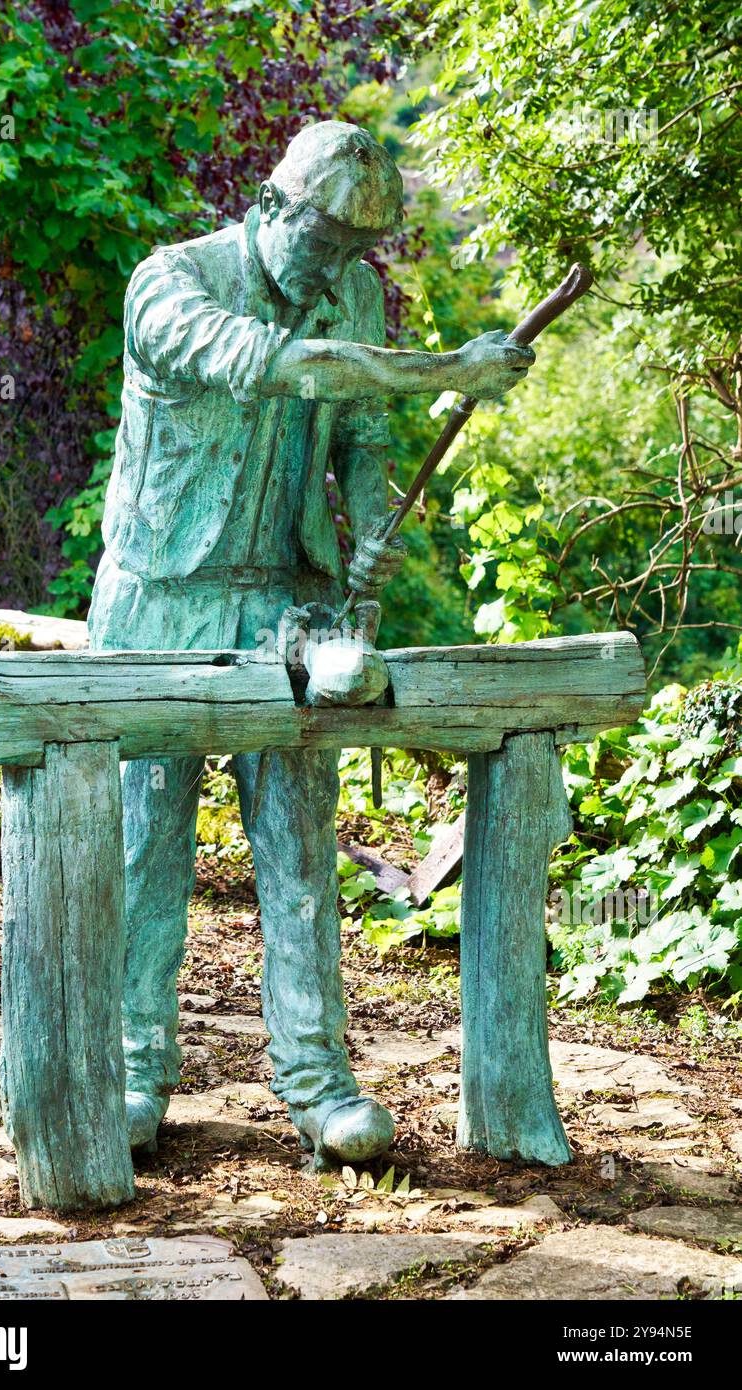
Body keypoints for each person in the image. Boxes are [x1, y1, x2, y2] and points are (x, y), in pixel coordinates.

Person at [88, 120, 535, 1168]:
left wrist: (371, 536)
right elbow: (288, 370)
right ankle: (131, 1068)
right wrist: (447, 368)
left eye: (354, 248)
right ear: (270, 206)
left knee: (296, 847)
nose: (336, 264)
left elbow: (365, 442)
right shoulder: (171, 284)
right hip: (161, 601)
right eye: (323, 238)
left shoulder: (355, 294)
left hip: (286, 603)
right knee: (143, 847)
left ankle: (316, 1079)